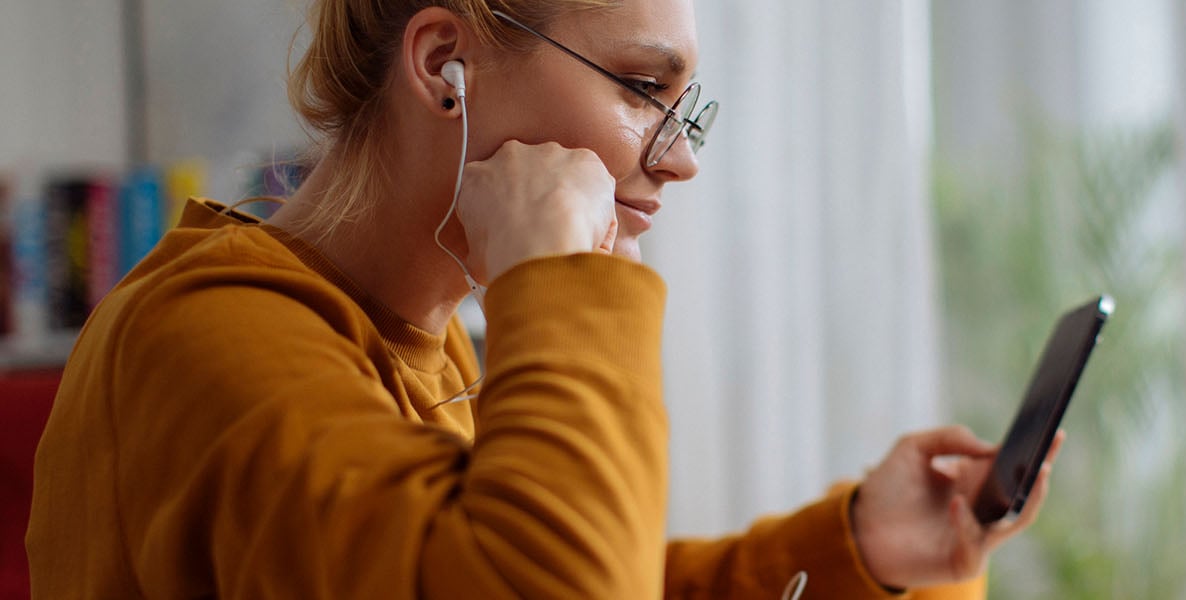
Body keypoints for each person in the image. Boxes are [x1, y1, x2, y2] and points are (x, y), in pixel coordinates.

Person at [26, 0, 1061, 597]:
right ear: (445, 65)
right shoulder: (206, 337)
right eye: (642, 88)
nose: (684, 158)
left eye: (684, 104)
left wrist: (858, 550)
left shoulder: (423, 344)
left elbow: (575, 571)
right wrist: (558, 281)